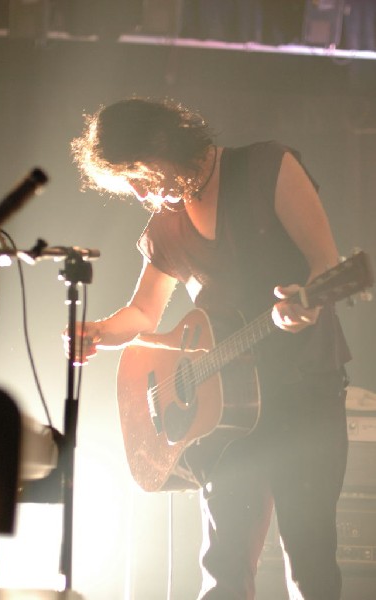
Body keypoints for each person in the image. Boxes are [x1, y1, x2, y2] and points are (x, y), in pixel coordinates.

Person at [66, 97, 351, 599]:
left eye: (138, 174)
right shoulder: (164, 226)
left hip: (303, 392)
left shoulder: (268, 167)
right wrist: (102, 330)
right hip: (227, 414)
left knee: (309, 565)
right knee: (222, 571)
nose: (138, 193)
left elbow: (325, 265)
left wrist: (306, 306)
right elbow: (144, 314)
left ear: (162, 144)